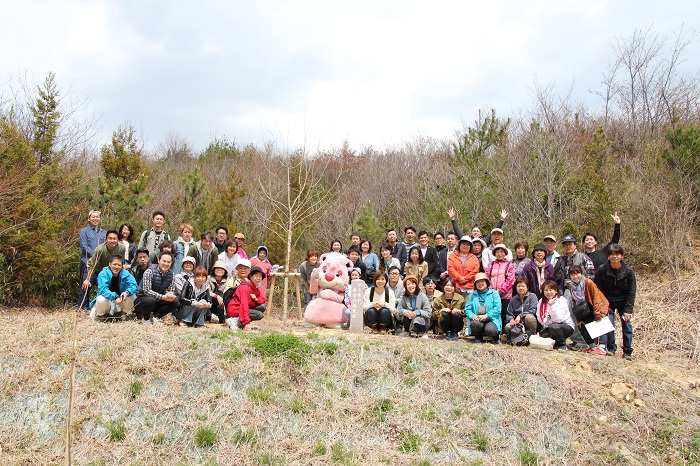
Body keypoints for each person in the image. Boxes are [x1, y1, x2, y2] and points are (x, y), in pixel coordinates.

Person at [595, 244, 637, 360]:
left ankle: (627, 351)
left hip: (623, 301)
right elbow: (598, 289)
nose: (614, 257)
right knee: (608, 323)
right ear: (608, 256)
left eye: (617, 254)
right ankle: (611, 348)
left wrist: (628, 310)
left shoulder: (628, 271)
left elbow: (631, 291)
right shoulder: (602, 269)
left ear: (622, 256)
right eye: (612, 254)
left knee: (627, 325)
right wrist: (604, 305)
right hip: (608, 300)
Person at [566, 265, 610, 355]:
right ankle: (592, 347)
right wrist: (579, 318)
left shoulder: (588, 282)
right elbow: (575, 302)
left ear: (581, 273)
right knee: (581, 325)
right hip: (585, 309)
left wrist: (598, 313)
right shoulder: (571, 286)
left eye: (577, 273)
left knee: (600, 324)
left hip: (596, 306)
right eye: (572, 274)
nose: (575, 276)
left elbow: (596, 297)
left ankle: (602, 348)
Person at [81, 230, 125, 310]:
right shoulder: (100, 249)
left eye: (114, 239)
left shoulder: (121, 248)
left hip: (109, 272)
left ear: (118, 240)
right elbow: (93, 266)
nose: (112, 241)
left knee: (110, 288)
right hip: (94, 270)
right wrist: (88, 279)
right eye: (110, 238)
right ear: (106, 239)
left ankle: (110, 308)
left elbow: (120, 262)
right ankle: (82, 308)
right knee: (86, 286)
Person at [134, 252, 179, 325]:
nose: (166, 264)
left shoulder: (171, 274)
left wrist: (170, 294)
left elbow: (172, 290)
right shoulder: (150, 271)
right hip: (143, 300)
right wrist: (163, 297)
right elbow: (146, 291)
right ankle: (146, 318)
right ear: (158, 260)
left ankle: (155, 316)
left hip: (159, 300)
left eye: (168, 262)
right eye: (164, 261)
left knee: (175, 301)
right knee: (150, 300)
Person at [89, 255, 138, 321]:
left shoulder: (125, 273)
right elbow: (103, 290)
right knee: (100, 299)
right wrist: (115, 297)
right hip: (107, 302)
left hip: (120, 302)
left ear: (122, 266)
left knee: (133, 296)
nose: (116, 267)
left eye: (119, 265)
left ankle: (123, 315)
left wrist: (127, 292)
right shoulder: (103, 273)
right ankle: (101, 317)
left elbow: (134, 285)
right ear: (109, 264)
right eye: (114, 264)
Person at [78, 210, 105, 310]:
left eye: (97, 217)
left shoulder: (103, 233)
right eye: (93, 217)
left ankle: (98, 307)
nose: (95, 219)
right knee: (86, 285)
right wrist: (96, 254)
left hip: (100, 265)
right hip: (87, 262)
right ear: (89, 219)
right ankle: (82, 308)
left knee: (102, 285)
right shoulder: (84, 231)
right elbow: (84, 246)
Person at [485, 243, 516, 332]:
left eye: (502, 252)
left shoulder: (509, 264)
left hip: (505, 295)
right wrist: (491, 290)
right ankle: (493, 331)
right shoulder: (491, 264)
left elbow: (510, 280)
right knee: (493, 312)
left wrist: (501, 290)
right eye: (497, 252)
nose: (500, 254)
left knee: (504, 313)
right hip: (491, 294)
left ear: (505, 253)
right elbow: (487, 277)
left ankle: (504, 332)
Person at [536, 280, 575, 350]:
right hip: (548, 326)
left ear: (556, 291)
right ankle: (556, 342)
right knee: (544, 336)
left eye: (551, 290)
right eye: (546, 290)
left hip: (565, 326)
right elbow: (539, 317)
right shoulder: (541, 302)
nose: (548, 292)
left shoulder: (561, 300)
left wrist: (552, 306)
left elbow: (559, 319)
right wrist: (547, 324)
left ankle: (562, 345)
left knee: (554, 327)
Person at [226, 265, 266, 330]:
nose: (258, 278)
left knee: (262, 307)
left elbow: (263, 299)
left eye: (260, 276)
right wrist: (247, 322)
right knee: (259, 315)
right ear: (250, 276)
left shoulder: (255, 287)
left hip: (242, 308)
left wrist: (256, 299)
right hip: (235, 309)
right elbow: (244, 305)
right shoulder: (245, 287)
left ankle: (239, 321)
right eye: (256, 276)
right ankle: (234, 320)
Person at [465, 273, 502, 343]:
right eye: (478, 282)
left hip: (491, 319)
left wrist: (486, 316)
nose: (480, 284)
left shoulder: (494, 293)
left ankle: (495, 338)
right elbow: (467, 309)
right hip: (478, 319)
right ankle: (478, 337)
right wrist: (473, 316)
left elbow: (497, 309)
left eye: (482, 281)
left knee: (490, 329)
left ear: (486, 282)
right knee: (474, 324)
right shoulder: (473, 295)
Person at [447, 236, 480, 300]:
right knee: (456, 307)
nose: (465, 246)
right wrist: (460, 278)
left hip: (469, 286)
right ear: (460, 245)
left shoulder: (474, 258)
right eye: (463, 244)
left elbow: (476, 270)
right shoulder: (452, 256)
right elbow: (451, 269)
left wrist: (466, 278)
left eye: (467, 245)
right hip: (455, 286)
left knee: (467, 307)